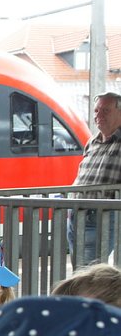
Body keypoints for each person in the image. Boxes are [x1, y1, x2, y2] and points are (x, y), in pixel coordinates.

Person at [66, 91, 121, 266]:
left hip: (101, 215)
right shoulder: (92, 141)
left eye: (106, 110)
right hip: (75, 214)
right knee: (78, 268)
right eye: (96, 110)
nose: (98, 115)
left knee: (89, 270)